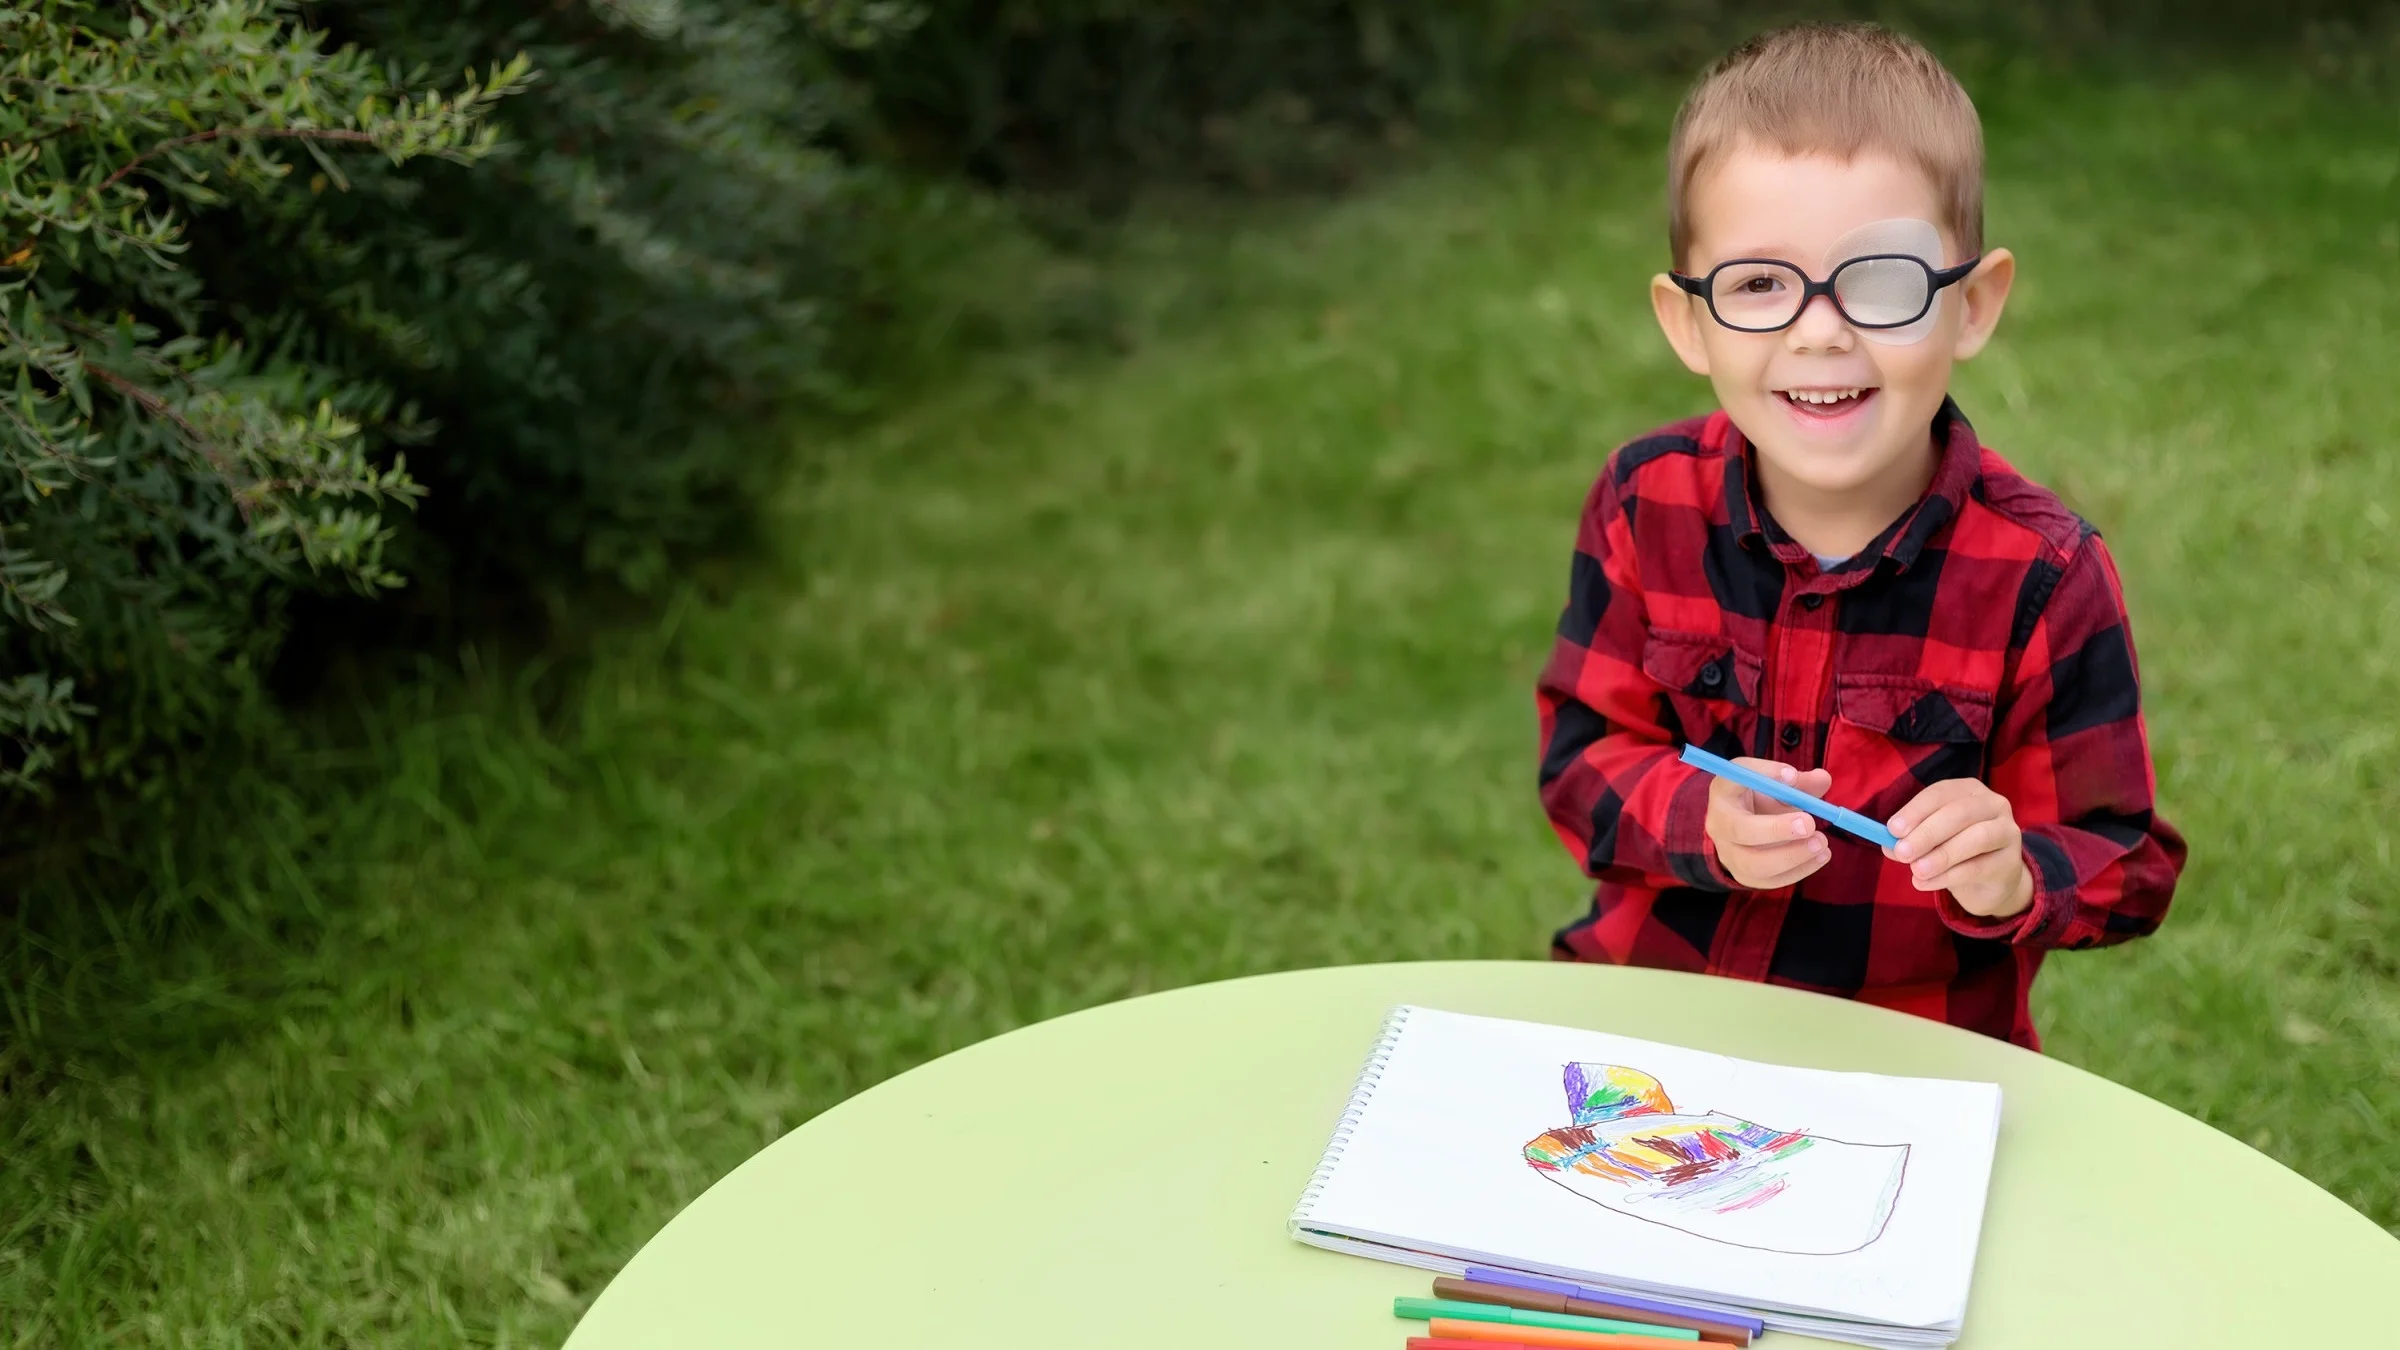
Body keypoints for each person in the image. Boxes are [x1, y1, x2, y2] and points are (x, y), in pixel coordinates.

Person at [1535, 21, 2186, 1049]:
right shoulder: (1643, 501)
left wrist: (2016, 870)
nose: (1821, 329)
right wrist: (1697, 819)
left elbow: (2126, 860)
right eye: (1758, 284)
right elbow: (1579, 761)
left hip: (1901, 1063)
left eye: (1879, 279)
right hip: (1648, 1018)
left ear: (1971, 306)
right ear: (1686, 320)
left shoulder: (2043, 574)